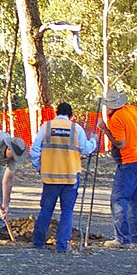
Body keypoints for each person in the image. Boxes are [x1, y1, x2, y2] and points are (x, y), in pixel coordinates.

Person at [31, 102, 98, 253]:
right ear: (71, 114)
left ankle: (38, 242)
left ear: (56, 112)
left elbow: (35, 149)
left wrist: (39, 168)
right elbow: (86, 149)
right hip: (70, 178)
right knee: (67, 212)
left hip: (50, 178)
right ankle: (61, 246)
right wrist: (94, 140)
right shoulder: (76, 128)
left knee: (46, 210)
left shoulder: (46, 127)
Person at [96, 89, 137, 248]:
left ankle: (121, 239)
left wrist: (104, 129)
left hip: (128, 162)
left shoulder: (116, 119)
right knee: (133, 201)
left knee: (118, 200)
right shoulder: (131, 109)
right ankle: (133, 239)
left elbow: (120, 144)